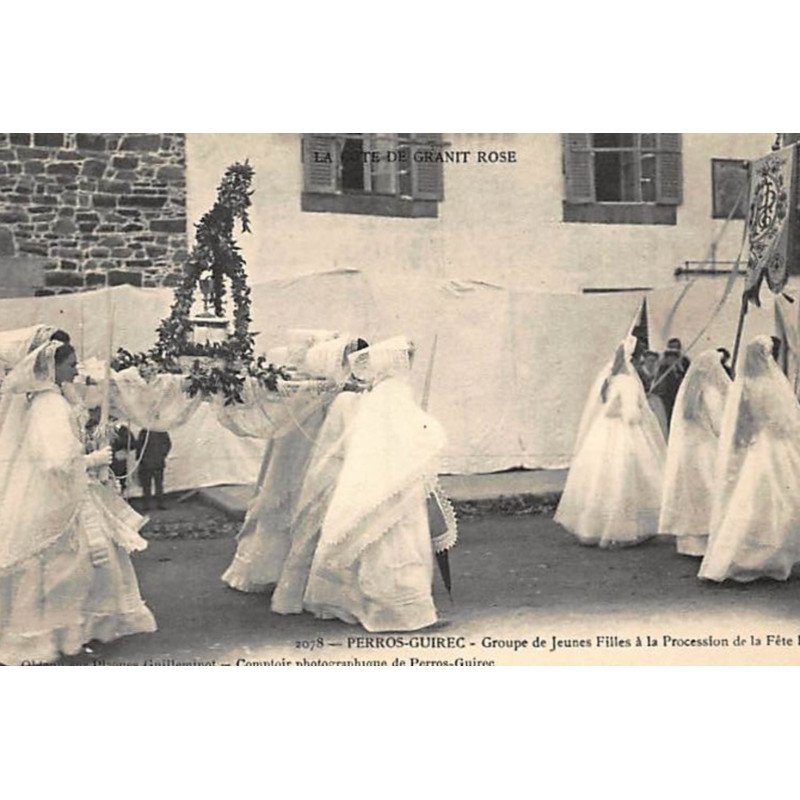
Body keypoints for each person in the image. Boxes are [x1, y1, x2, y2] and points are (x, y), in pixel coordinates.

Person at [0, 339, 155, 664]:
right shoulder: (49, 405)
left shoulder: (52, 399)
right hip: (58, 498)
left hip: (69, 493)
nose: (75, 369)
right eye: (70, 364)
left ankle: (80, 630)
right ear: (52, 367)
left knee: (90, 562)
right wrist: (92, 458)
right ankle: (65, 635)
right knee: (69, 567)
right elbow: (54, 461)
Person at [302, 336, 453, 631]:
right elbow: (414, 434)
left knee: (385, 541)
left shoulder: (379, 393)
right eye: (406, 358)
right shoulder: (392, 392)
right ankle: (401, 611)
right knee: (397, 543)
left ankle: (381, 604)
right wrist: (428, 430)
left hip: (385, 478)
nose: (410, 363)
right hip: (391, 479)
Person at [222, 335, 367, 595]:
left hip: (327, 453)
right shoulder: (311, 391)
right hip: (300, 451)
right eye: (346, 358)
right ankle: (274, 571)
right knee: (285, 498)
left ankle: (314, 578)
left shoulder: (342, 391)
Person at [699, 335, 800, 582]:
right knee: (775, 498)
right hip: (777, 446)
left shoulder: (745, 386)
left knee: (756, 499)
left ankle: (758, 556)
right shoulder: (774, 384)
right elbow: (786, 421)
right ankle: (769, 556)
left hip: (760, 446)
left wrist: (742, 445)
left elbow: (742, 423)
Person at [554, 335, 666, 548]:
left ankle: (594, 527)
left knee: (601, 478)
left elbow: (606, 407)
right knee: (626, 477)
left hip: (603, 431)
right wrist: (644, 410)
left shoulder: (609, 379)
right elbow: (631, 414)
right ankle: (624, 529)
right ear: (634, 360)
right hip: (625, 432)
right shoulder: (629, 382)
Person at [658, 350, 731, 556]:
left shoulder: (689, 390)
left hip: (688, 450)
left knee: (691, 492)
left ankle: (689, 542)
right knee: (709, 489)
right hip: (706, 447)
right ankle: (708, 538)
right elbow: (718, 423)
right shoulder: (710, 392)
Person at [652, 337, 691, 427]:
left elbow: (686, 375)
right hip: (665, 394)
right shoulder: (663, 361)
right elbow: (658, 376)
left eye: (676, 348)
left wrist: (679, 368)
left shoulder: (684, 361)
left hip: (678, 392)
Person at [135, 429, 172, 510]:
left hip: (147, 463)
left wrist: (139, 458)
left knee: (148, 485)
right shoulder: (161, 431)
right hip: (156, 463)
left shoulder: (144, 432)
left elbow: (139, 446)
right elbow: (168, 445)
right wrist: (162, 455)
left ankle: (147, 504)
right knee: (157, 484)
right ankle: (159, 504)